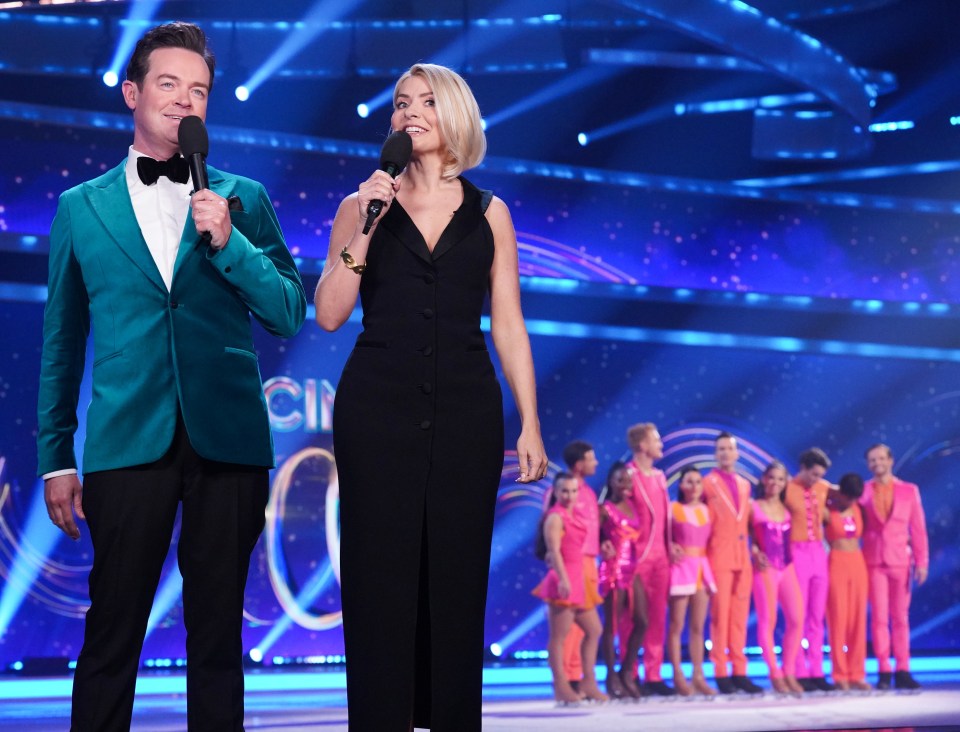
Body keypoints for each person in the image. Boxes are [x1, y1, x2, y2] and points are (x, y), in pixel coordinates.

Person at [36, 22, 307, 731]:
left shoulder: (242, 196)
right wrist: (55, 458)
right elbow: (62, 343)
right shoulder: (79, 208)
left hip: (229, 441)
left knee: (218, 636)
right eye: (168, 85)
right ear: (132, 94)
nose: (185, 101)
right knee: (112, 630)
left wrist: (231, 242)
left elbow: (287, 311)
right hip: (128, 439)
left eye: (200, 90)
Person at [313, 63, 547, 730]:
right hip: (376, 412)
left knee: (454, 576)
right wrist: (366, 224)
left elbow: (508, 321)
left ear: (454, 117)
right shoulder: (360, 208)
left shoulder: (491, 213)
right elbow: (329, 313)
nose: (409, 112)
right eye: (400, 103)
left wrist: (529, 421)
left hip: (466, 413)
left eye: (425, 101)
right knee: (377, 575)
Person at [533, 473, 609, 705]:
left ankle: (588, 681)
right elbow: (554, 551)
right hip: (563, 581)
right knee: (559, 638)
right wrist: (563, 580)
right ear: (556, 492)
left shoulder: (571, 513)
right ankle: (561, 686)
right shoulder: (555, 517)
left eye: (574, 491)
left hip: (579, 579)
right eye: (564, 491)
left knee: (594, 630)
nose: (570, 495)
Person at [860, 443, 929, 691]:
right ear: (868, 464)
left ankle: (903, 669)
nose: (877, 463)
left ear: (891, 460)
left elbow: (918, 529)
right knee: (879, 618)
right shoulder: (864, 492)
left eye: (881, 458)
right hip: (874, 561)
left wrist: (922, 562)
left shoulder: (909, 491)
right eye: (872, 460)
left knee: (900, 618)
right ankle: (884, 670)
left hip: (901, 561)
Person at [702, 432, 762, 694]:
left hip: (742, 556)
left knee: (739, 616)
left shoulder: (744, 484)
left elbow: (747, 522)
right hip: (718, 554)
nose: (726, 453)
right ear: (715, 454)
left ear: (737, 454)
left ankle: (740, 671)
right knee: (720, 616)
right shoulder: (707, 483)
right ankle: (720, 671)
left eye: (730, 449)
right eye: (721, 449)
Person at [620, 423, 676, 697]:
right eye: (656, 439)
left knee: (657, 616)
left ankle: (654, 674)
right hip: (636, 558)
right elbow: (615, 511)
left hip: (661, 558)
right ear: (642, 445)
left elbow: (664, 516)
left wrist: (671, 544)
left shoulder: (659, 476)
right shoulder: (627, 475)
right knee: (632, 618)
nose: (660, 444)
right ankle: (628, 673)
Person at [554, 440, 605, 693]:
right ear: (579, 464)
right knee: (569, 627)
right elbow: (549, 528)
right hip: (570, 564)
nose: (596, 462)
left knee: (588, 627)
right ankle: (569, 679)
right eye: (591, 458)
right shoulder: (561, 491)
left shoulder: (588, 492)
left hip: (589, 563)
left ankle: (585, 678)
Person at [750, 461, 804, 695]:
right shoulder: (754, 506)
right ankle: (774, 672)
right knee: (767, 620)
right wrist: (753, 552)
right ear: (764, 480)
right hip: (765, 569)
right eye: (771, 478)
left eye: (780, 479)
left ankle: (789, 669)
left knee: (796, 618)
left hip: (787, 567)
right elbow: (746, 536)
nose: (775, 483)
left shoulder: (787, 509)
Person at [783, 447, 835, 692]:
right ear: (803, 468)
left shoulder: (824, 487)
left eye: (819, 475)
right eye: (813, 474)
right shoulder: (787, 488)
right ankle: (797, 671)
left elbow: (848, 495)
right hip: (796, 552)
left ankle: (817, 670)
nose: (816, 479)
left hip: (818, 553)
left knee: (817, 616)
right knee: (798, 615)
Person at [667, 467, 717, 697]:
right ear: (682, 485)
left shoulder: (707, 510)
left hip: (701, 568)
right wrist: (672, 547)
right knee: (677, 626)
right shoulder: (673, 509)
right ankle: (678, 675)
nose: (695, 486)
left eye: (699, 481)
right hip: (680, 568)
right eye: (690, 481)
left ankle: (698, 675)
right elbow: (665, 538)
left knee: (698, 627)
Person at [597, 461, 641, 698]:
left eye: (628, 480)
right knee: (611, 627)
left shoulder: (633, 506)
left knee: (641, 621)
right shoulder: (604, 508)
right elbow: (593, 536)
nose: (625, 484)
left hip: (633, 570)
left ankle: (626, 672)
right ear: (611, 482)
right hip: (613, 571)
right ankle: (611, 676)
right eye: (620, 480)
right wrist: (601, 544)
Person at [825, 473, 871, 692]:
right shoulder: (828, 508)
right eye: (848, 497)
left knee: (857, 621)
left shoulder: (858, 508)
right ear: (841, 492)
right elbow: (819, 486)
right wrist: (833, 491)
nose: (851, 502)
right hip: (836, 563)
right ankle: (839, 674)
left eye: (855, 498)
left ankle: (857, 673)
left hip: (858, 564)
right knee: (838, 620)